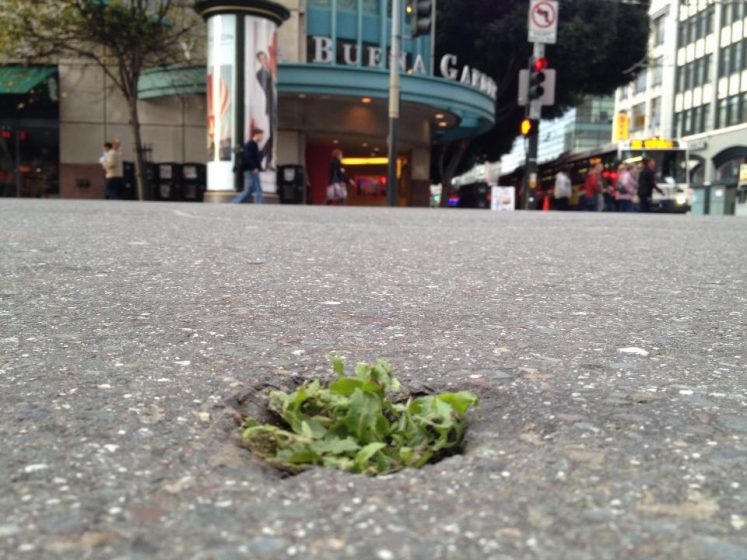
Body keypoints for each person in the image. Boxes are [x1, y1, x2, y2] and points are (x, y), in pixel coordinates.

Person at [232, 129, 264, 204]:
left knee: (249, 189)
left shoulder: (253, 144)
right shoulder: (251, 144)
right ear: (256, 135)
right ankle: (259, 204)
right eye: (261, 135)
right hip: (251, 169)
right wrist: (254, 167)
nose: (262, 137)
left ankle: (234, 202)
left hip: (250, 169)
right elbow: (248, 157)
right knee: (258, 188)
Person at [256, 51, 276, 169]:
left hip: (273, 106)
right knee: (268, 134)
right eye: (262, 59)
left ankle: (268, 161)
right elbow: (265, 91)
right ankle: (261, 158)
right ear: (259, 60)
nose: (264, 60)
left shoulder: (271, 72)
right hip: (266, 107)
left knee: (272, 135)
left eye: (265, 58)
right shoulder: (260, 74)